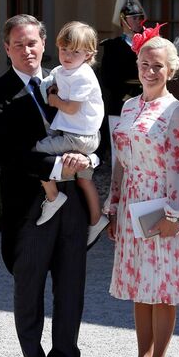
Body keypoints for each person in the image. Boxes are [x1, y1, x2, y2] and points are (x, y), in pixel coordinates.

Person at [0, 14, 98, 357]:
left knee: (71, 288)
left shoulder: (67, 78)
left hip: (72, 204)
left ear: (44, 44)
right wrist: (55, 166)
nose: (27, 50)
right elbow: (3, 153)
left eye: (33, 43)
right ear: (7, 48)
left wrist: (88, 162)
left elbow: (92, 132)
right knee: (28, 289)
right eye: (19, 44)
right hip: (28, 203)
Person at [105, 35, 179, 357]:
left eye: (158, 65)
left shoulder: (176, 112)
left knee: (162, 288)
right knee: (140, 287)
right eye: (145, 63)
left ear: (171, 70)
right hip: (132, 201)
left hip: (162, 201)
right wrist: (113, 207)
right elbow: (120, 163)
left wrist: (176, 215)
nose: (150, 70)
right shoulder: (128, 107)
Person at [33, 21, 109, 246]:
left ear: (88, 54)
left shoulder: (82, 76)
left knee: (37, 152)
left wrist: (54, 99)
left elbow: (72, 108)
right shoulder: (64, 70)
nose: (67, 55)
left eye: (75, 51)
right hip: (80, 133)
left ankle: (53, 195)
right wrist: (49, 86)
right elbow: (51, 80)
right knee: (85, 179)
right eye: (63, 49)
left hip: (79, 137)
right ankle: (96, 219)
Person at [97, 0, 146, 158]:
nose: (137, 21)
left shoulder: (149, 43)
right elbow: (108, 78)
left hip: (146, 97)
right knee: (121, 149)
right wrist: (124, 93)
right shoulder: (113, 46)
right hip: (122, 99)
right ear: (123, 20)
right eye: (133, 18)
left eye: (139, 17)